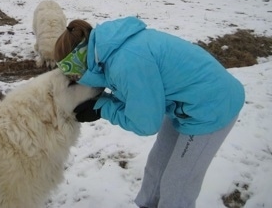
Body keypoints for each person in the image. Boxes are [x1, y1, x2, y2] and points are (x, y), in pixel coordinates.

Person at [54, 16, 245, 208]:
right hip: (185, 103)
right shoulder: (109, 51)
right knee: (157, 166)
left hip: (212, 106)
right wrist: (101, 102)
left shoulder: (126, 62)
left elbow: (145, 123)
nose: (77, 79)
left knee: (177, 184)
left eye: (74, 74)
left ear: (79, 59)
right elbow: (138, 95)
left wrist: (102, 108)